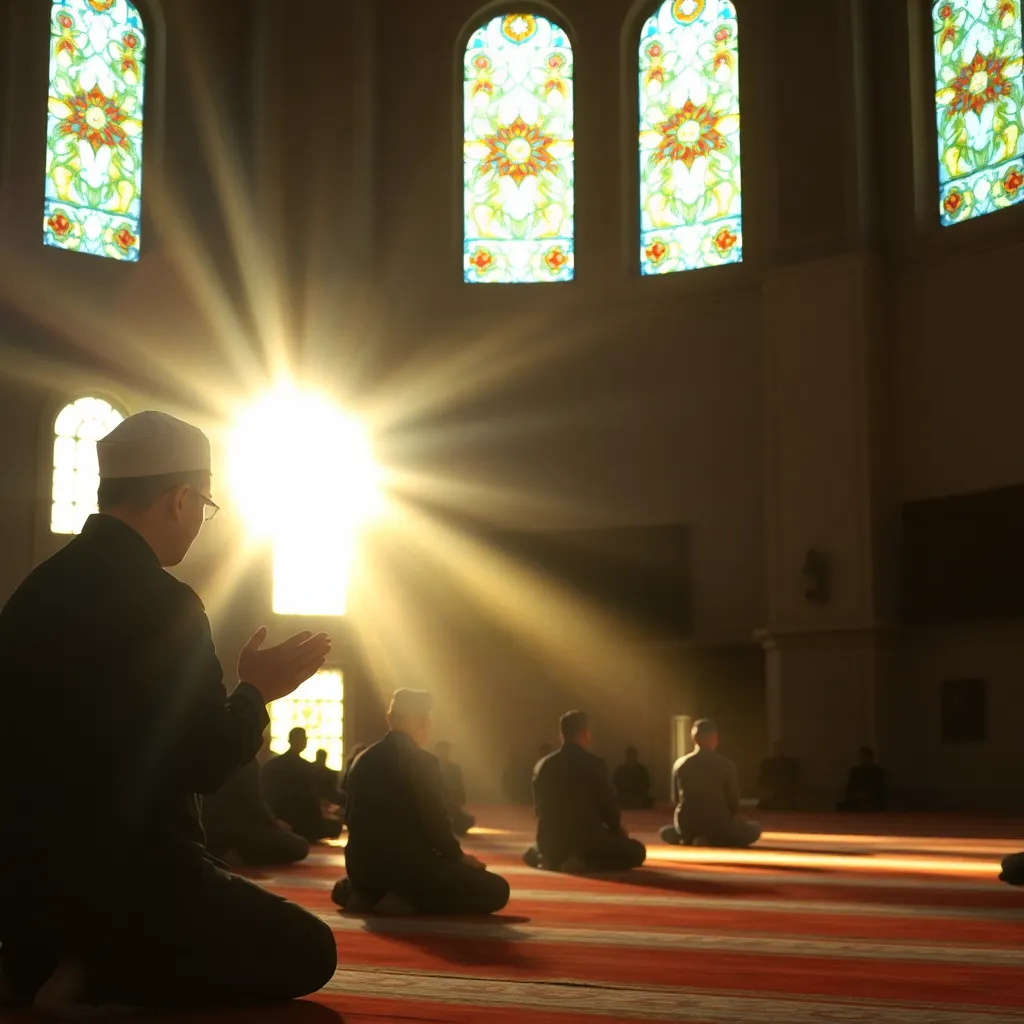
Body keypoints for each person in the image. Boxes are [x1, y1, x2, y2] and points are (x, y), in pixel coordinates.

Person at [0, 410, 337, 1015]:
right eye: (206, 506)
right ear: (181, 499)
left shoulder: (34, 592)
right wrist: (256, 691)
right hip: (129, 880)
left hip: (24, 891)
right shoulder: (166, 604)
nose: (202, 522)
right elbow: (205, 759)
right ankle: (100, 976)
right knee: (310, 950)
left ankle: (47, 966)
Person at [333, 689, 509, 916]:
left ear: (389, 719)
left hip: (362, 869)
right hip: (410, 869)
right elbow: (436, 824)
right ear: (425, 722)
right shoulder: (424, 762)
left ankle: (364, 895)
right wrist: (458, 857)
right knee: (497, 889)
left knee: (342, 887)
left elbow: (352, 818)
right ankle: (408, 899)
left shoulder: (361, 760)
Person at [524, 710, 646, 872]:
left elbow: (540, 810)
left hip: (552, 842)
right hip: (587, 841)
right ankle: (587, 862)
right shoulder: (595, 764)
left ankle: (553, 860)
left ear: (562, 734)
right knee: (637, 851)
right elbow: (609, 809)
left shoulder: (543, 765)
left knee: (531, 852)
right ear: (586, 734)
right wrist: (617, 831)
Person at [203, 737, 310, 867]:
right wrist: (275, 822)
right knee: (300, 845)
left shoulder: (203, 756)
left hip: (206, 833)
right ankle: (237, 855)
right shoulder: (246, 759)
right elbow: (256, 806)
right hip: (239, 831)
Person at [660, 719, 761, 848]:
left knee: (665, 832)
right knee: (754, 829)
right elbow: (733, 802)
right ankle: (715, 839)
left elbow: (675, 799)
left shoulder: (680, 764)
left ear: (693, 739)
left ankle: (691, 837)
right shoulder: (726, 765)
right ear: (714, 738)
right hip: (718, 826)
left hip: (687, 826)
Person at [263, 728, 343, 843]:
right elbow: (311, 800)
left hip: (276, 818)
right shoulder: (307, 768)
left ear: (289, 740)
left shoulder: (270, 765)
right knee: (335, 826)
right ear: (304, 743)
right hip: (302, 822)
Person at [436, 740, 475, 835]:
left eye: (446, 751)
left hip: (451, 804)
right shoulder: (430, 767)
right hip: (436, 803)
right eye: (442, 751)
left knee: (468, 821)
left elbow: (460, 788)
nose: (444, 753)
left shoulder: (455, 768)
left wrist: (456, 800)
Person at [838, 746, 887, 811]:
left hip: (873, 802)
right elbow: (850, 788)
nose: (865, 759)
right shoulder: (855, 772)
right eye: (863, 757)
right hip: (857, 801)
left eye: (867, 757)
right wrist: (859, 795)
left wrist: (868, 797)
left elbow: (881, 789)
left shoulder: (878, 772)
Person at [758, 740, 801, 810]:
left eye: (781, 749)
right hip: (771, 791)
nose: (779, 751)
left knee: (786, 805)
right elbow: (762, 779)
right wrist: (768, 789)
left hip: (786, 793)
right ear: (774, 750)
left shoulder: (790, 764)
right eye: (777, 749)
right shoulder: (768, 764)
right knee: (764, 805)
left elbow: (795, 780)